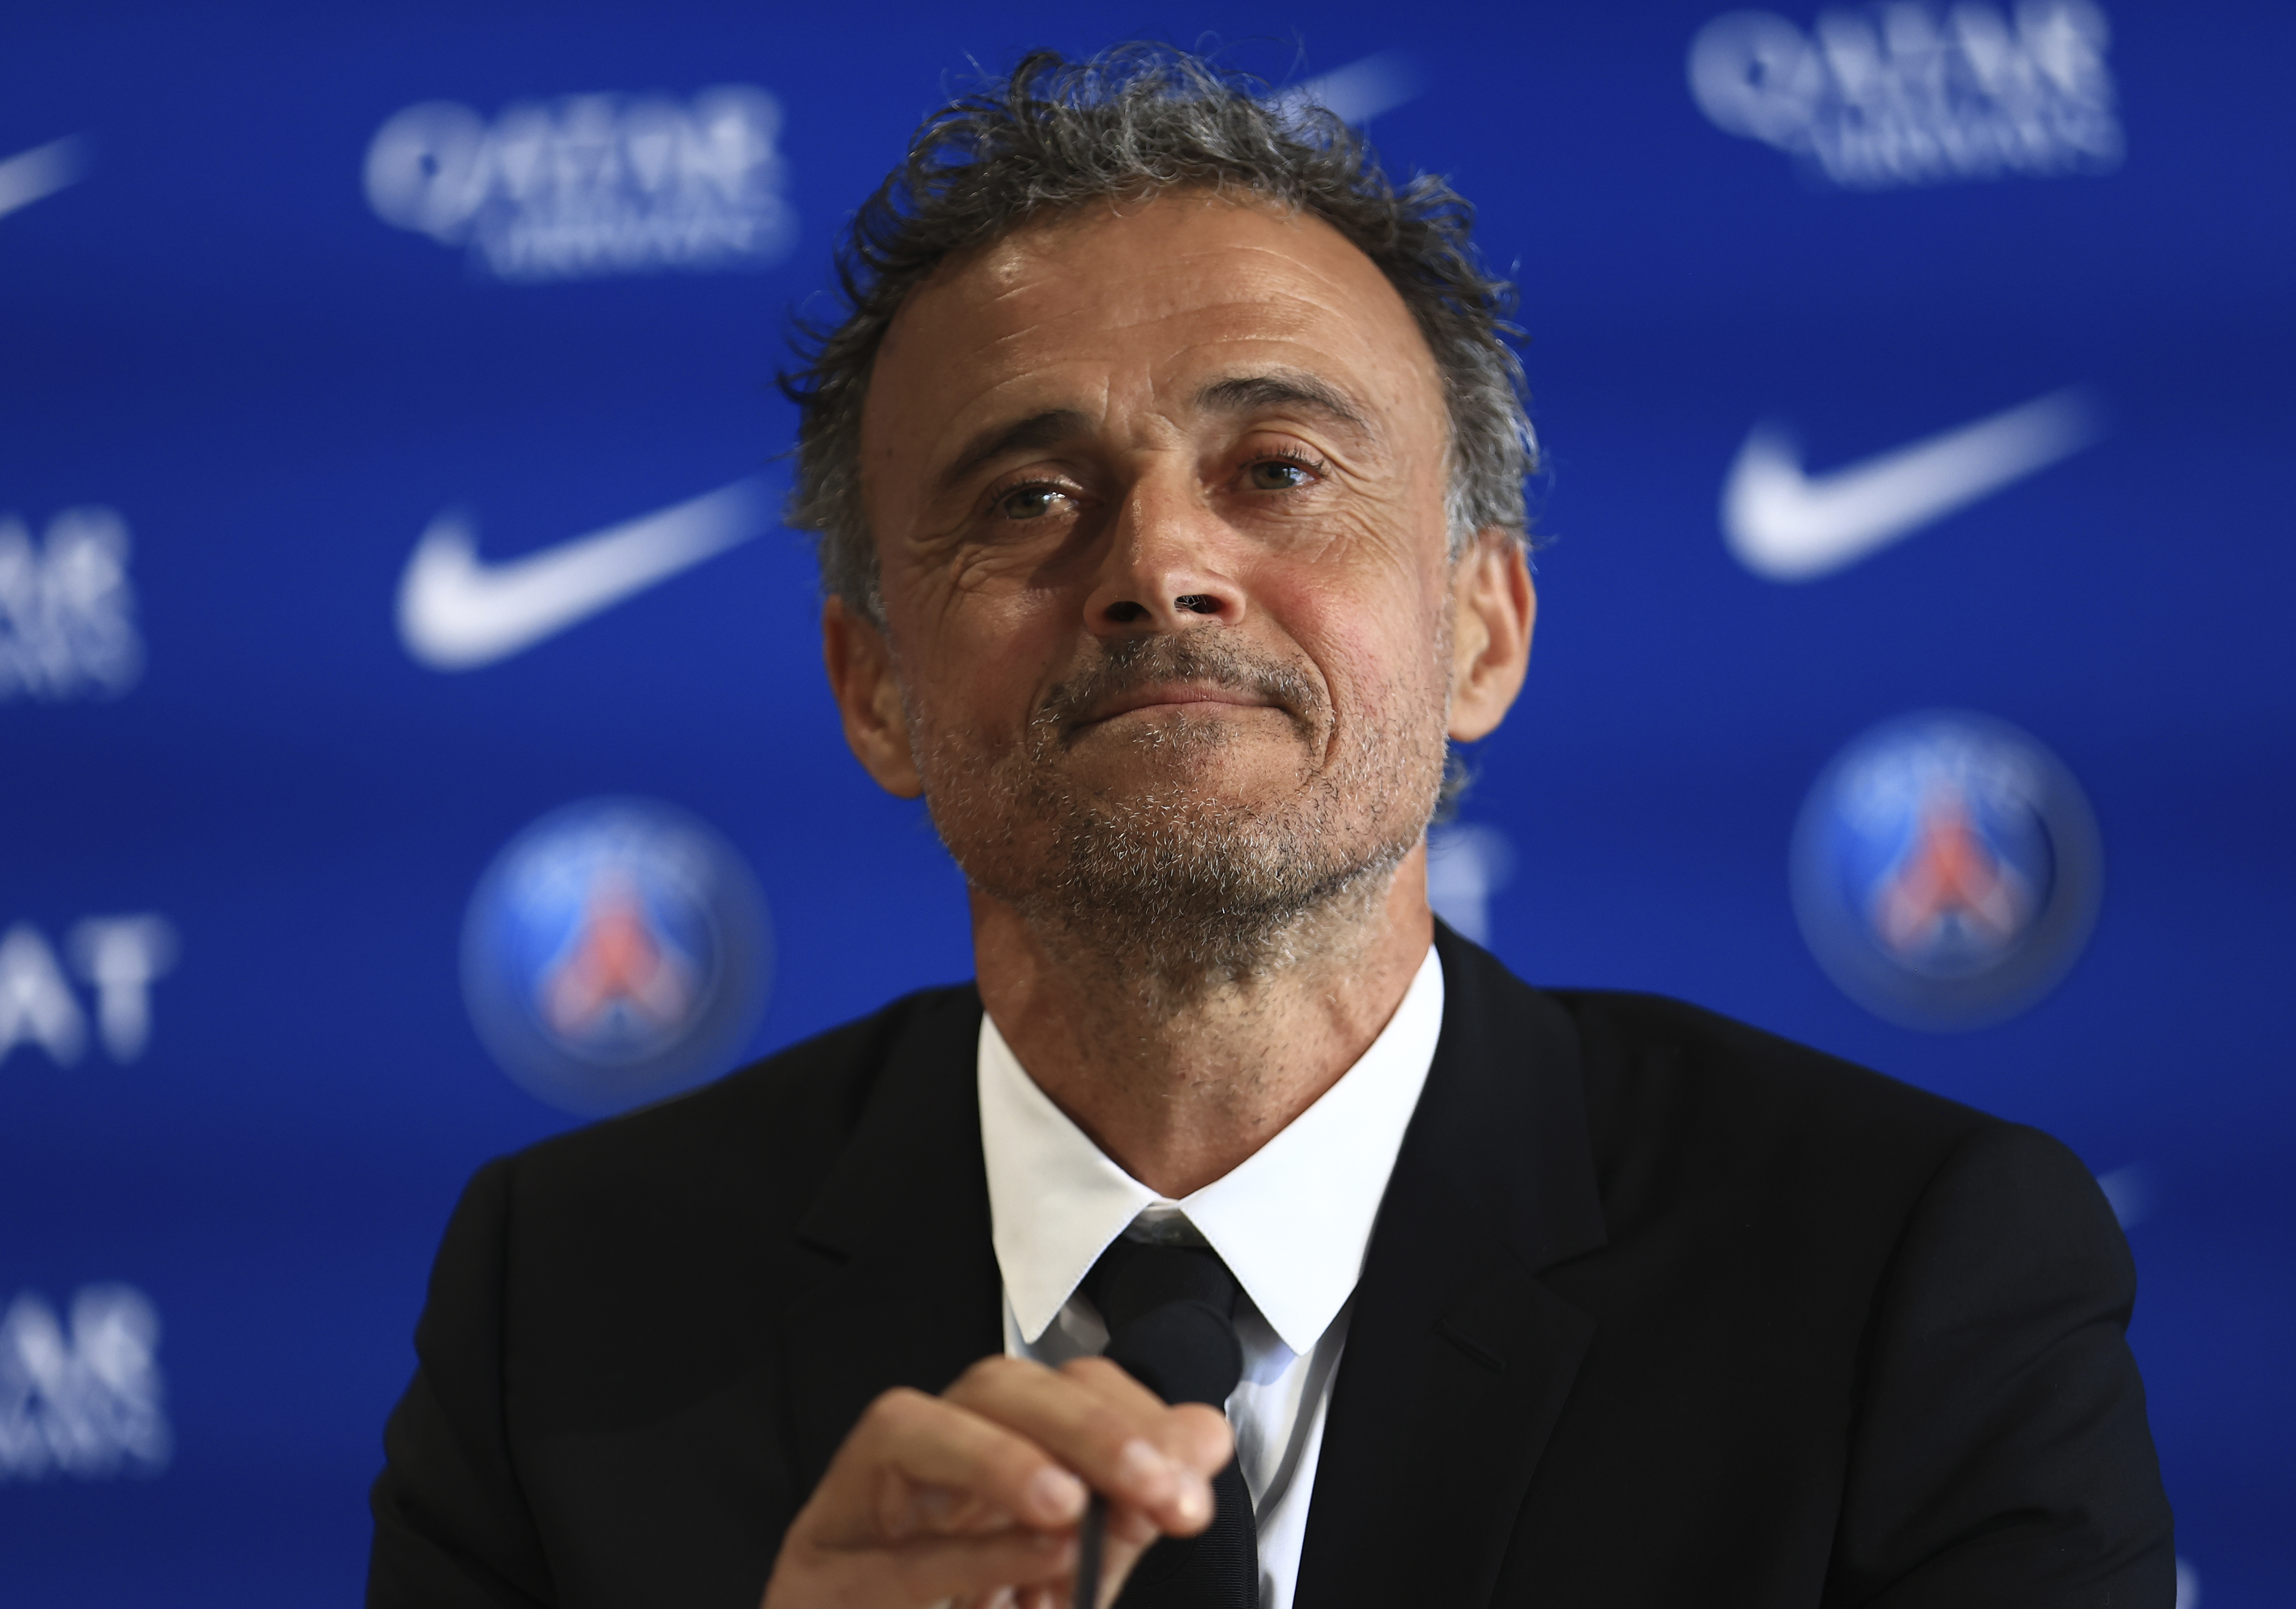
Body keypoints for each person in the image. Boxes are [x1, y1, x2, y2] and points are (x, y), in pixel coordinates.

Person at [367, 46, 2173, 1609]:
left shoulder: (1899, 1271)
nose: (1159, 564)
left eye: (1280, 472)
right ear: (873, 688)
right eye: (1028, 494)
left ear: (1484, 626)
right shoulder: (573, 1305)